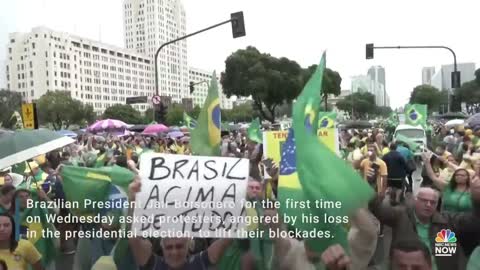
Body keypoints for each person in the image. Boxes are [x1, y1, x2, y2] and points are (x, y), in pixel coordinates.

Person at [127, 177, 233, 270]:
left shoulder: (198, 263)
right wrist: (133, 201)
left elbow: (229, 236)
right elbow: (133, 238)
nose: (175, 252)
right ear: (162, 246)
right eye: (169, 247)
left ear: (189, 245)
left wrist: (246, 198)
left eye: (179, 246)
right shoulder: (154, 265)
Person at [369, 183, 480, 270]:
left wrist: (477, 199)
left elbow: (473, 221)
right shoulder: (401, 216)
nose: (428, 205)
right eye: (424, 201)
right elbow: (379, 209)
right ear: (415, 200)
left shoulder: (447, 221)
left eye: (433, 202)